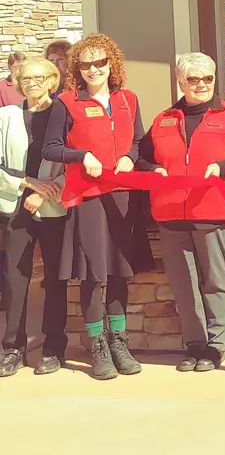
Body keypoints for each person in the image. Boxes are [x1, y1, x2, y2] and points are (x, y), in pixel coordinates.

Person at [138, 53, 225, 372]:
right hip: (172, 212)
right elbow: (142, 157)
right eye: (193, 79)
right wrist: (154, 169)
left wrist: (220, 167)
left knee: (215, 280)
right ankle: (194, 343)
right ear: (180, 82)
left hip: (215, 211)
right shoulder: (164, 118)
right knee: (184, 282)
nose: (201, 84)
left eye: (207, 78)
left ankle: (216, 345)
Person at [41, 33, 144, 380]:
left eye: (101, 62)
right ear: (77, 69)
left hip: (122, 196)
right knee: (95, 273)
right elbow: (51, 148)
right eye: (86, 64)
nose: (94, 69)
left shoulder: (128, 99)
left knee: (118, 270)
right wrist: (82, 156)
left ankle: (119, 340)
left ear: (111, 63)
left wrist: (131, 157)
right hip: (87, 197)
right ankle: (98, 344)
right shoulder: (67, 102)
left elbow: (139, 142)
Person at [0, 56, 68, 376]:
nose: (32, 84)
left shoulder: (63, 113)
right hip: (16, 205)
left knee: (54, 277)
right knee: (15, 278)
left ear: (52, 81)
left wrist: (46, 190)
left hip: (54, 204)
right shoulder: (6, 117)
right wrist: (27, 184)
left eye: (39, 78)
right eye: (25, 79)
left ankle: (54, 347)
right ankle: (13, 348)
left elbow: (74, 163)